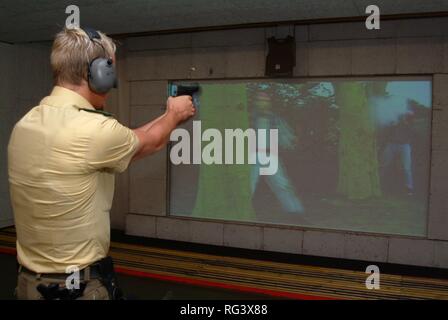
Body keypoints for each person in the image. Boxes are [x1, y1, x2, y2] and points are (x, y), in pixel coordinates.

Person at [7, 27, 195, 300]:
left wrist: (167, 115)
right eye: (111, 71)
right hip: (73, 290)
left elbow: (134, 139)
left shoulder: (27, 123)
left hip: (29, 285)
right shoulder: (93, 129)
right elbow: (149, 142)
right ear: (97, 72)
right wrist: (175, 115)